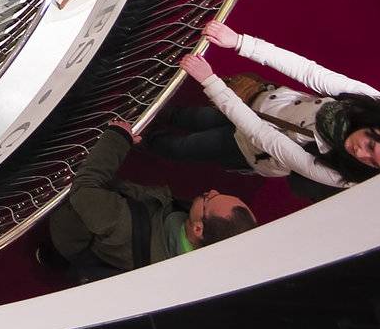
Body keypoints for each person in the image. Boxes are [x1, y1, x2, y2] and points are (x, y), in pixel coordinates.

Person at [148, 19, 380, 196]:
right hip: (260, 104)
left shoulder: (344, 175)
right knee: (195, 116)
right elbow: (310, 72)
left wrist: (211, 83)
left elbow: (264, 137)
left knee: (185, 146)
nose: (360, 154)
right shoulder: (369, 101)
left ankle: (139, 138)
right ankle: (157, 114)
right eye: (370, 144)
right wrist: (240, 42)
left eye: (372, 161)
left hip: (250, 147)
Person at [42, 121, 256, 283]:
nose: (211, 191)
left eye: (210, 199)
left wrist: (117, 137)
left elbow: (85, 188)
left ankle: (53, 256)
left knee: (65, 246)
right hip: (107, 238)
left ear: (198, 229)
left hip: (71, 233)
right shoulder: (193, 261)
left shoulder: (123, 225)